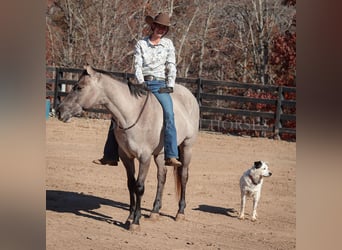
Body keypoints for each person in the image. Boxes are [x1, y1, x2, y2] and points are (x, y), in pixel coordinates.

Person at [93, 12, 181, 167]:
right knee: (117, 113)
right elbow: (138, 66)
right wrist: (141, 83)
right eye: (159, 26)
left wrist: (170, 85)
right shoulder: (141, 44)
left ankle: (171, 154)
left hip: (160, 85)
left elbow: (171, 66)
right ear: (153, 26)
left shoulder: (168, 44)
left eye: (164, 28)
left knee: (169, 113)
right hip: (142, 83)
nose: (161, 29)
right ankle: (110, 155)